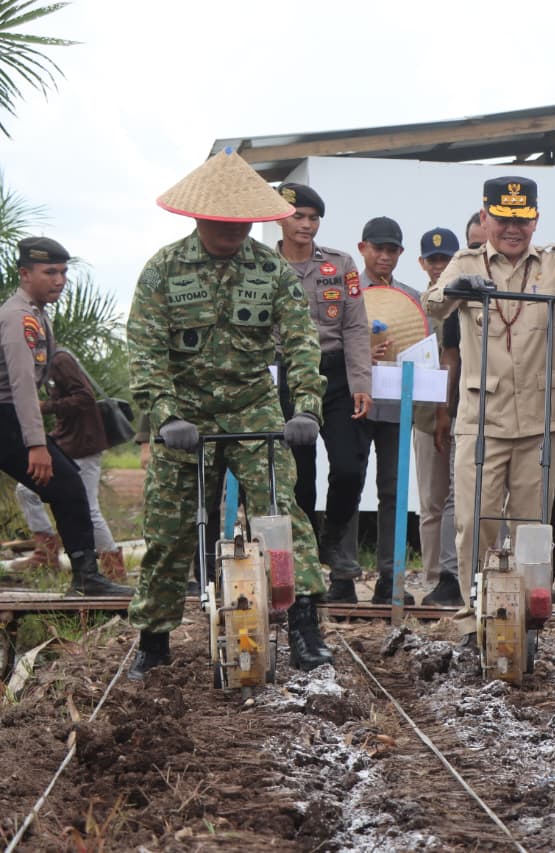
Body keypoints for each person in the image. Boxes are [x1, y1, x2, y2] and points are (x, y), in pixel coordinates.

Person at [125, 149, 331, 679]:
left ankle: (305, 623)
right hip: (184, 417)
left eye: (242, 224)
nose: (232, 233)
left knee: (281, 516)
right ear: (199, 218)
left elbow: (302, 340)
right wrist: (166, 415)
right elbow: (145, 348)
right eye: (222, 223)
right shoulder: (163, 271)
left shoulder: (270, 270)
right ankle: (154, 639)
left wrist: (305, 407)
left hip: (251, 407)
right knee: (169, 530)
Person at [424, 177, 555, 629]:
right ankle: (474, 613)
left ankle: (524, 617)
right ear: (486, 219)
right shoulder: (465, 261)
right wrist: (455, 288)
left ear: (535, 219)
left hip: (540, 418)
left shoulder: (554, 262)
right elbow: (434, 304)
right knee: (472, 520)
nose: (513, 229)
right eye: (503, 219)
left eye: (522, 219)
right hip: (482, 417)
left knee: (532, 526)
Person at [0, 237, 131, 597]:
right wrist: (36, 445)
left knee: (69, 486)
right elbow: (23, 386)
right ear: (25, 274)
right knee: (69, 487)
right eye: (50, 272)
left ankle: (87, 576)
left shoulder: (36, 313)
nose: (59, 280)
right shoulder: (18, 318)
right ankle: (87, 578)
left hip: (10, 417)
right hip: (6, 418)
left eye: (63, 272)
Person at [273, 182, 373, 600]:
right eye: (299, 217)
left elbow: (353, 325)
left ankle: (333, 538)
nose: (307, 225)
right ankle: (306, 550)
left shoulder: (340, 264)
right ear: (279, 216)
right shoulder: (263, 265)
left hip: (334, 375)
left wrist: (360, 382)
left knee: (350, 467)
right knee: (301, 476)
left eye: (314, 218)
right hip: (285, 377)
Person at [331, 216, 423, 606]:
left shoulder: (413, 298)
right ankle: (343, 575)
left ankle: (391, 576)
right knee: (348, 483)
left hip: (397, 405)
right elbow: (330, 344)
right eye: (378, 248)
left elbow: (424, 351)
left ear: (401, 253)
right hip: (354, 400)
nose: (384, 256)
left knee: (394, 490)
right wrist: (358, 357)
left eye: (392, 250)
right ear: (362, 248)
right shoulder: (344, 293)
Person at [13, 346, 126, 579]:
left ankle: (114, 570)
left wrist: (46, 407)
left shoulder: (60, 360)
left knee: (89, 508)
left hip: (83, 442)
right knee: (26, 490)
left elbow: (85, 398)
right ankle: (47, 552)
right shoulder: (44, 363)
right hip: (67, 440)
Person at [413, 226, 459, 600]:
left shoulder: (466, 299)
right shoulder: (416, 305)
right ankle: (432, 577)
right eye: (433, 259)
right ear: (422, 262)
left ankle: (459, 576)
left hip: (471, 410)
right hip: (428, 413)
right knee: (432, 499)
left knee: (466, 499)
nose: (439, 265)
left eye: (446, 259)